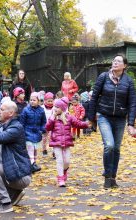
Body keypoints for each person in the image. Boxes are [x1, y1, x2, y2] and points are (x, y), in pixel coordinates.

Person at [88, 54, 136, 189]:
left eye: (118, 61)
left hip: (120, 118)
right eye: (114, 61)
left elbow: (132, 103)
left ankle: (112, 177)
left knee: (116, 148)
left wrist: (131, 124)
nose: (115, 63)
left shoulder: (128, 81)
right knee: (109, 145)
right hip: (104, 116)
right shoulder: (103, 77)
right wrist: (91, 119)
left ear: (124, 66)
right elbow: (94, 98)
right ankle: (107, 176)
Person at [46, 97, 89, 187]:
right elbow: (48, 127)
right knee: (59, 160)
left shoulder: (69, 117)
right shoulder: (53, 117)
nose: (55, 109)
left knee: (67, 161)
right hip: (56, 142)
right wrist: (52, 118)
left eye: (57, 107)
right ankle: (61, 178)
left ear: (62, 108)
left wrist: (86, 124)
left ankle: (64, 170)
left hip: (66, 142)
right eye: (55, 107)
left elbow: (78, 123)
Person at [20, 92, 46, 173]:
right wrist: (22, 132)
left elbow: (43, 122)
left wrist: (42, 129)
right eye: (31, 100)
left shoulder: (41, 110)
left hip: (37, 133)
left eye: (34, 100)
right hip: (27, 132)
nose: (32, 101)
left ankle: (33, 164)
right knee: (30, 148)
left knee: (35, 149)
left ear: (38, 101)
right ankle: (32, 164)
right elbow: (22, 122)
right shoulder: (26, 110)